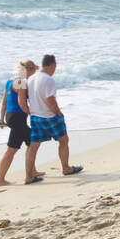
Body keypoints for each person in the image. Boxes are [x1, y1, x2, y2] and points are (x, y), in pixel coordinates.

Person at [25, 53, 83, 182]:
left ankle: (29, 176)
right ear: (53, 65)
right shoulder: (48, 79)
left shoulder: (31, 78)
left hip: (35, 116)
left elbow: (26, 98)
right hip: (49, 116)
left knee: (33, 146)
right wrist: (58, 113)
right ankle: (66, 168)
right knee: (63, 140)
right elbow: (50, 100)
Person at [0, 60, 41, 186]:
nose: (32, 76)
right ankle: (0, 179)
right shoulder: (21, 82)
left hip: (11, 117)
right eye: (33, 73)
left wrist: (1, 119)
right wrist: (33, 113)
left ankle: (33, 170)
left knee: (31, 142)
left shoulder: (10, 79)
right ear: (29, 70)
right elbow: (22, 103)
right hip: (17, 118)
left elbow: (4, 102)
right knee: (13, 149)